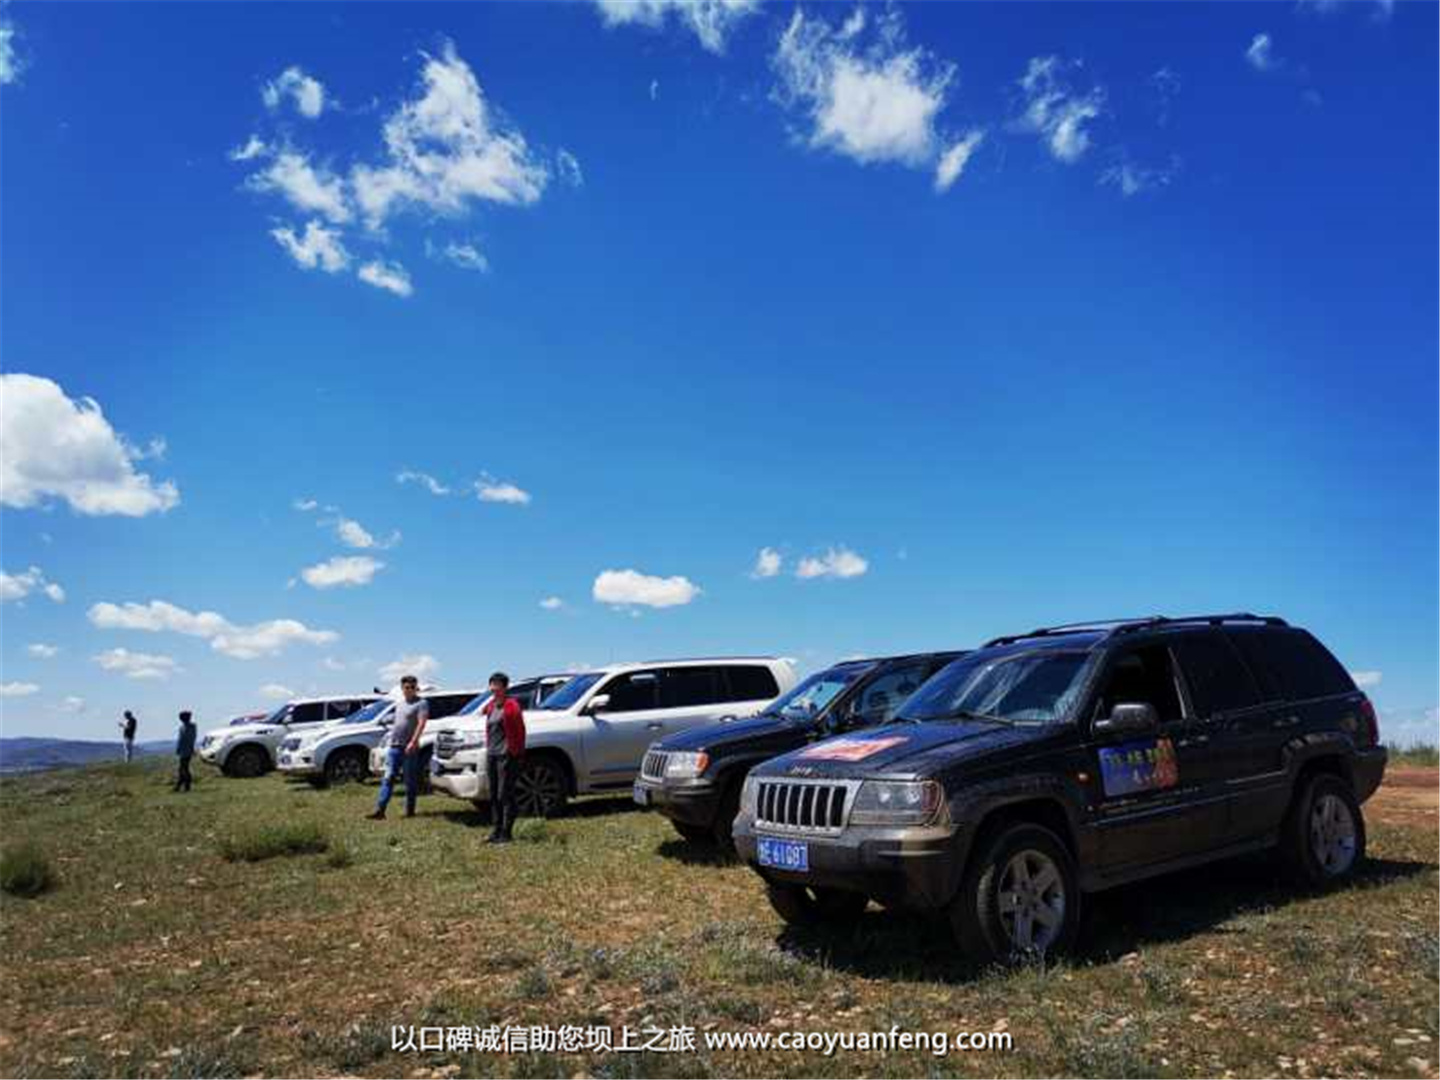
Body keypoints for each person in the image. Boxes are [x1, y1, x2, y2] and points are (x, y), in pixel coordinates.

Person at [367, 675, 428, 820]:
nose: (409, 690)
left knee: (409, 781)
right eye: (407, 687)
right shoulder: (400, 704)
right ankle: (380, 810)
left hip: (409, 747)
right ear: (402, 688)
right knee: (388, 778)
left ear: (416, 688)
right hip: (394, 747)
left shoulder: (421, 703)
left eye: (412, 687)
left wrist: (413, 741)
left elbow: (421, 723)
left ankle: (410, 810)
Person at [483, 671, 526, 844]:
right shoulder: (492, 706)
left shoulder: (512, 706)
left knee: (504, 795)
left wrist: (516, 752)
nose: (493, 688)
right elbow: (490, 730)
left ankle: (507, 833)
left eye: (497, 684)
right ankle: (496, 830)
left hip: (507, 755)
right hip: (492, 754)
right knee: (493, 795)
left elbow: (520, 731)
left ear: (505, 687)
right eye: (491, 684)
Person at [174, 710, 196, 792]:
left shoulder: (189, 727)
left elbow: (187, 739)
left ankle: (185, 786)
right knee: (182, 768)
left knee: (183, 768)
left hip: (186, 750)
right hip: (185, 750)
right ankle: (181, 785)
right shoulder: (186, 727)